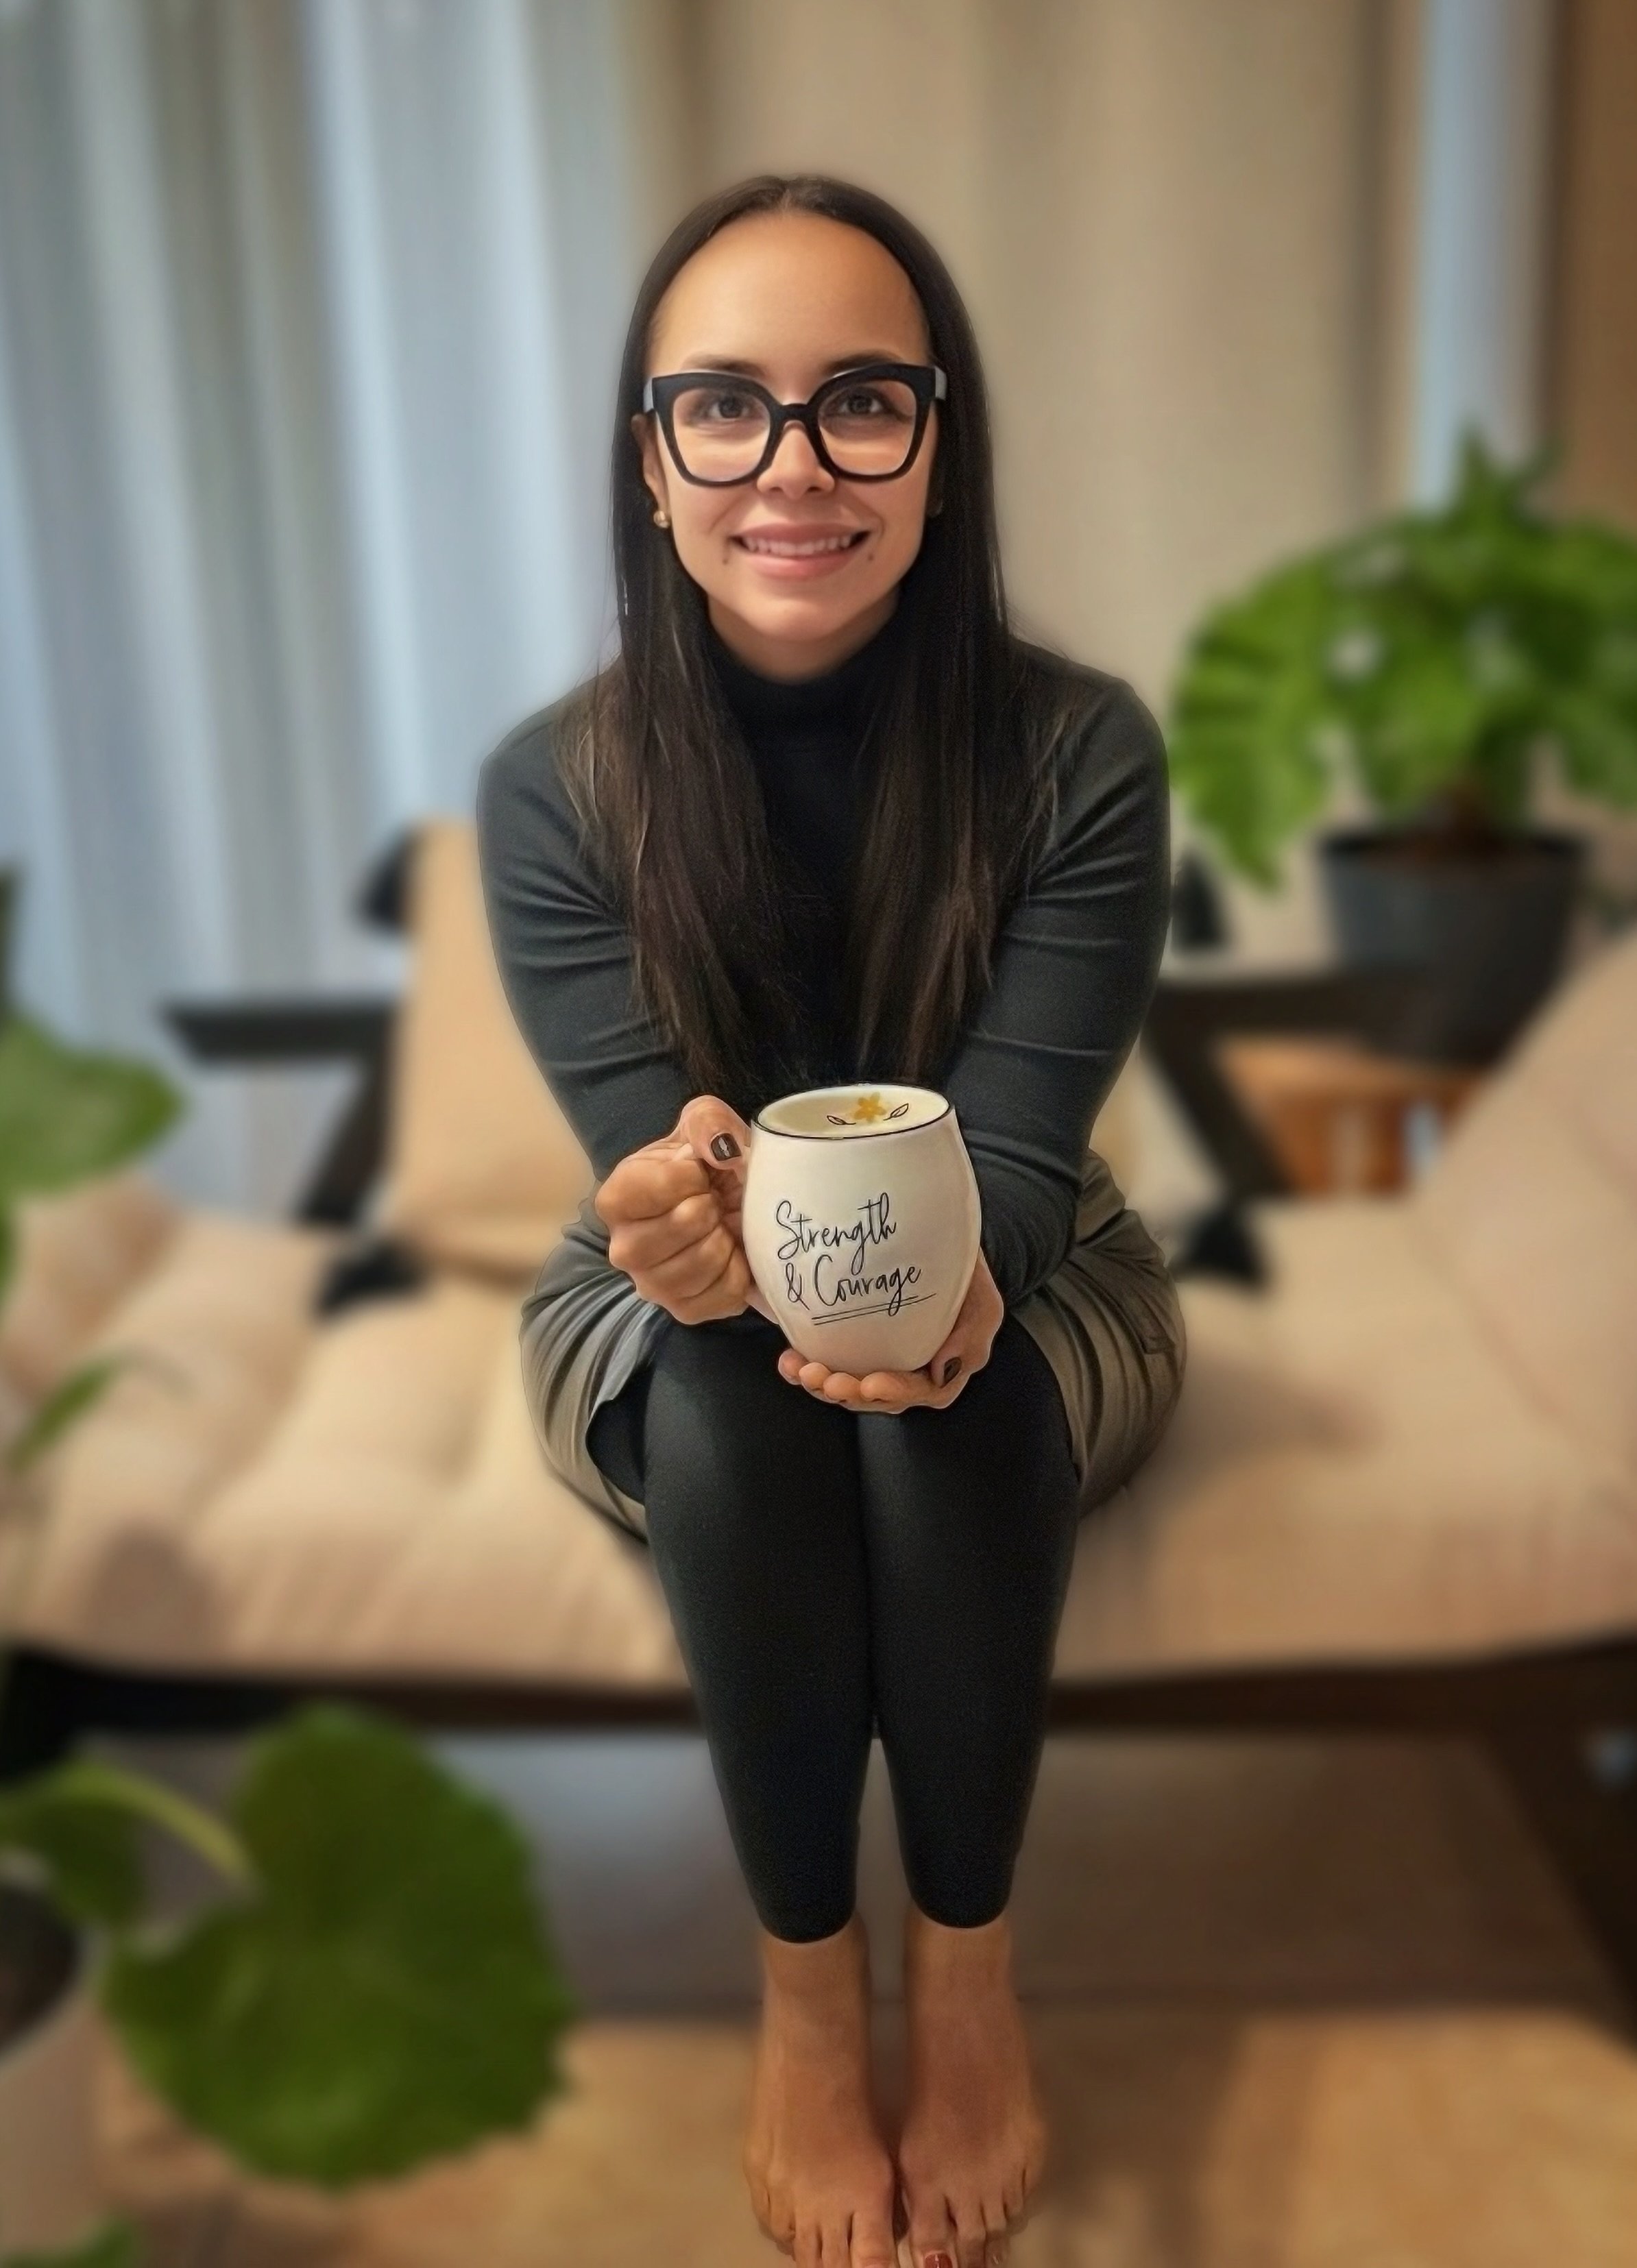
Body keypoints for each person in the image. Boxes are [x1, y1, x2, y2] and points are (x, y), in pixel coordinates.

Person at [477, 173, 1186, 2268]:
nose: (790, 464)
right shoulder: (556, 790)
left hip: (1032, 1267)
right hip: (664, 1300)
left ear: (938, 448)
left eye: (859, 402)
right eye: (723, 406)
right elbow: (648, 1171)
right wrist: (666, 1219)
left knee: (948, 1391)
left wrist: (952, 1294)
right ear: (651, 461)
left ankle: (962, 1986)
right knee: (735, 1384)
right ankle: (807, 2005)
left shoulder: (1078, 752)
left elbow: (1022, 1151)